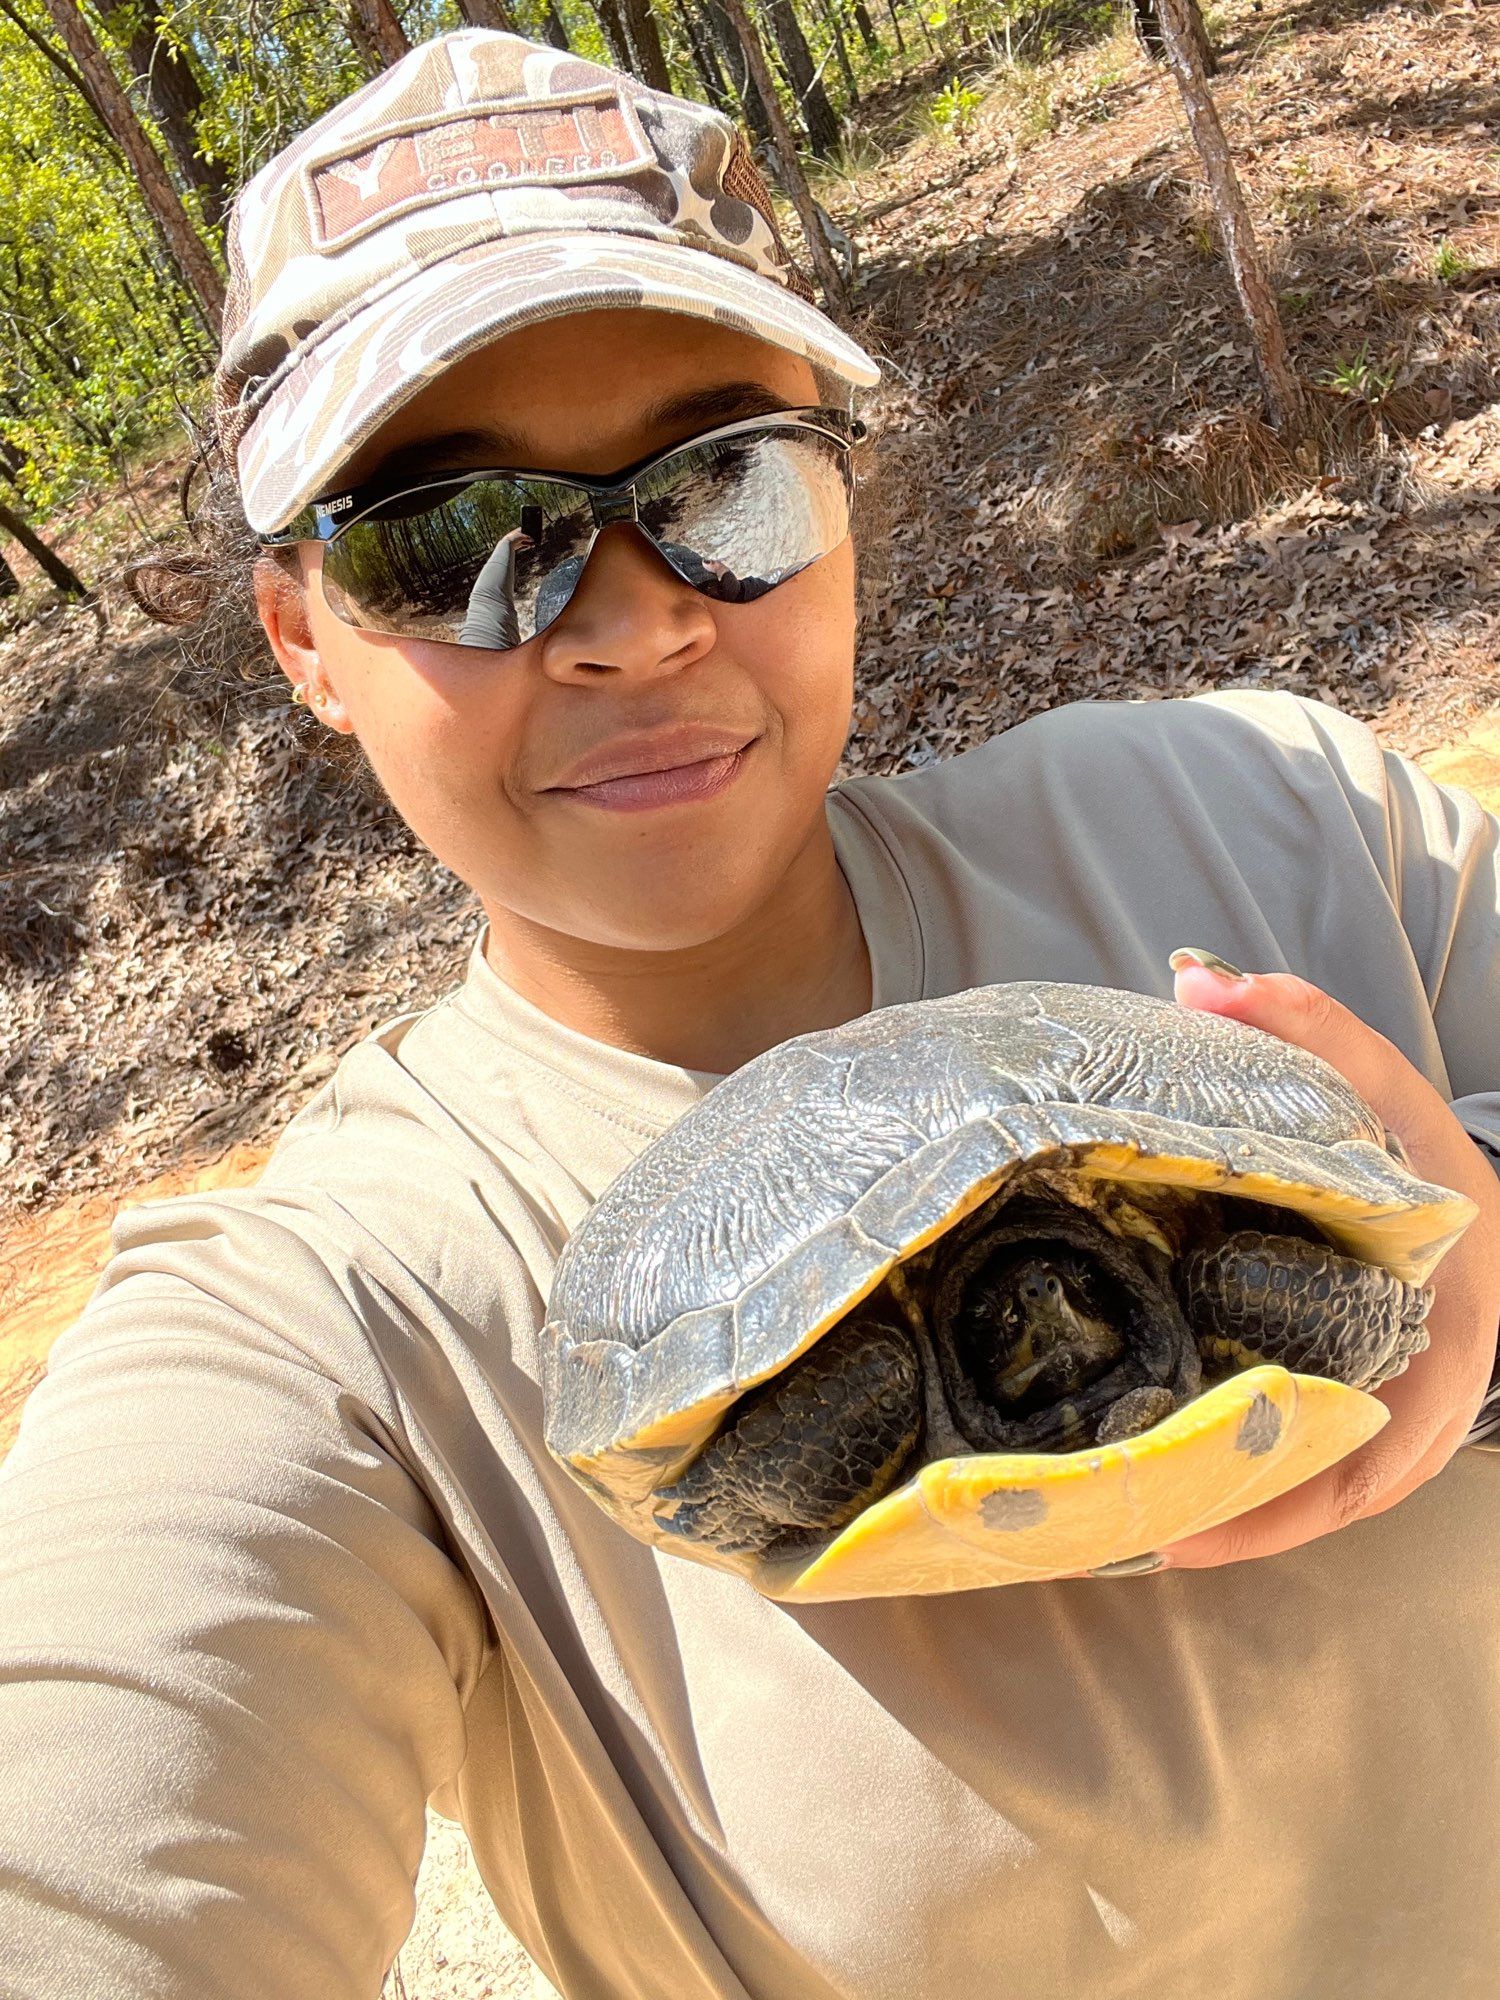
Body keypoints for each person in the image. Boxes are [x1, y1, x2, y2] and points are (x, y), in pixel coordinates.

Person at [1, 29, 1497, 2000]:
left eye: (727, 478)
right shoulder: (346, 1323)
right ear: (301, 634)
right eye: (453, 541)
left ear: (844, 488)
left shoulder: (1277, 823)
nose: (635, 616)